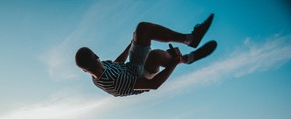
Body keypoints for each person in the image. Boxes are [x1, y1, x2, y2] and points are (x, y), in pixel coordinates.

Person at [75, 14, 217, 97]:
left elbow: (117, 62)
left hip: (131, 67)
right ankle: (187, 59)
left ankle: (190, 39)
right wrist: (175, 62)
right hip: (140, 79)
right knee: (156, 56)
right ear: (96, 56)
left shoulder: (102, 67)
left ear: (84, 70)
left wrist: (133, 43)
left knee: (142, 29)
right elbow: (153, 85)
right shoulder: (113, 82)